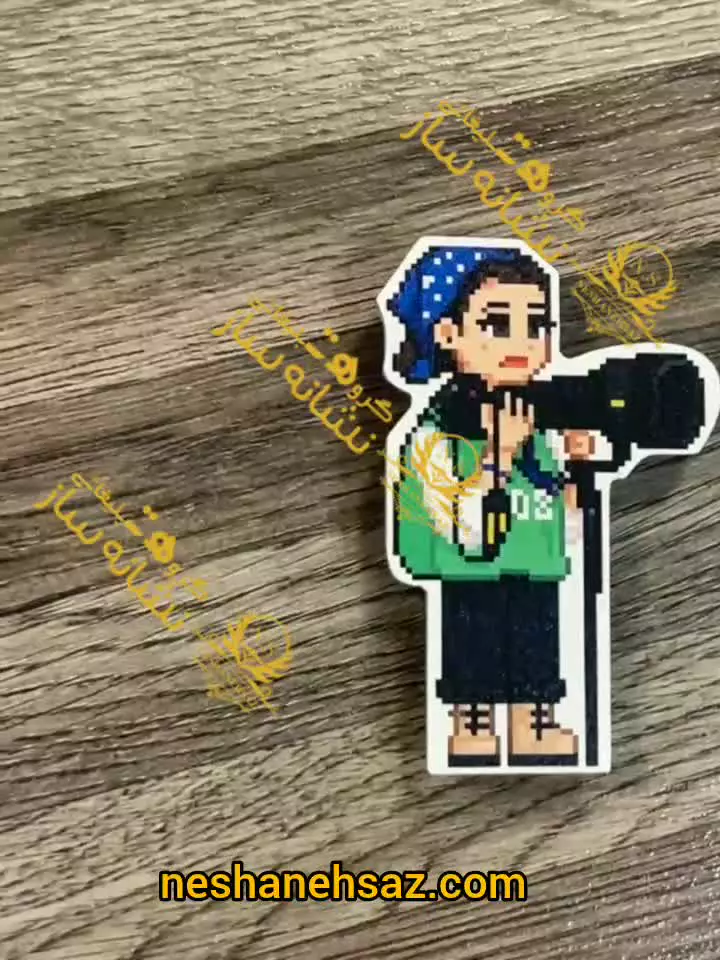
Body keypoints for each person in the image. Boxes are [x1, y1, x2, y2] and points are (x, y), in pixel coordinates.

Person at [386, 244, 595, 767]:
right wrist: (498, 457)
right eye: (497, 324)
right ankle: (472, 722)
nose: (521, 341)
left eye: (536, 324)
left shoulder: (540, 424)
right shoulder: (438, 433)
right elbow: (459, 530)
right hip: (469, 572)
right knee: (472, 643)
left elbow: (566, 525)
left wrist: (580, 469)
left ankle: (534, 721)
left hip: (535, 566)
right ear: (447, 332)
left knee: (537, 644)